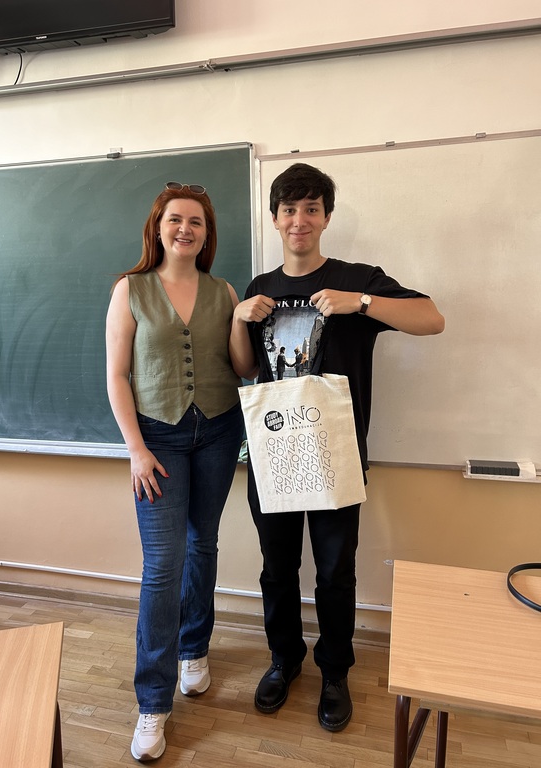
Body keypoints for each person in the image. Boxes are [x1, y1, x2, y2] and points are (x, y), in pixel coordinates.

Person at [229, 163, 444, 732]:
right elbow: (246, 369)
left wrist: (363, 303)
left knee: (334, 573)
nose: (299, 220)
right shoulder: (258, 288)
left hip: (335, 456)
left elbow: (432, 319)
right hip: (273, 455)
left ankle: (334, 672)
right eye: (289, 210)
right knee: (277, 570)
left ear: (326, 217)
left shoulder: (357, 278)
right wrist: (237, 318)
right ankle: (284, 660)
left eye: (311, 209)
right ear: (274, 219)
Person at [106, 181, 244, 762]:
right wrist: (136, 449)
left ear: (207, 234)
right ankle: (152, 703)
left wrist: (242, 320)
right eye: (175, 220)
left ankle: (194, 649)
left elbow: (240, 367)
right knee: (163, 565)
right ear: (158, 228)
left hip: (218, 431)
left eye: (196, 222)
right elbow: (117, 376)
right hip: (157, 439)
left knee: (203, 544)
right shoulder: (130, 289)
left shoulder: (224, 291)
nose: (185, 229)